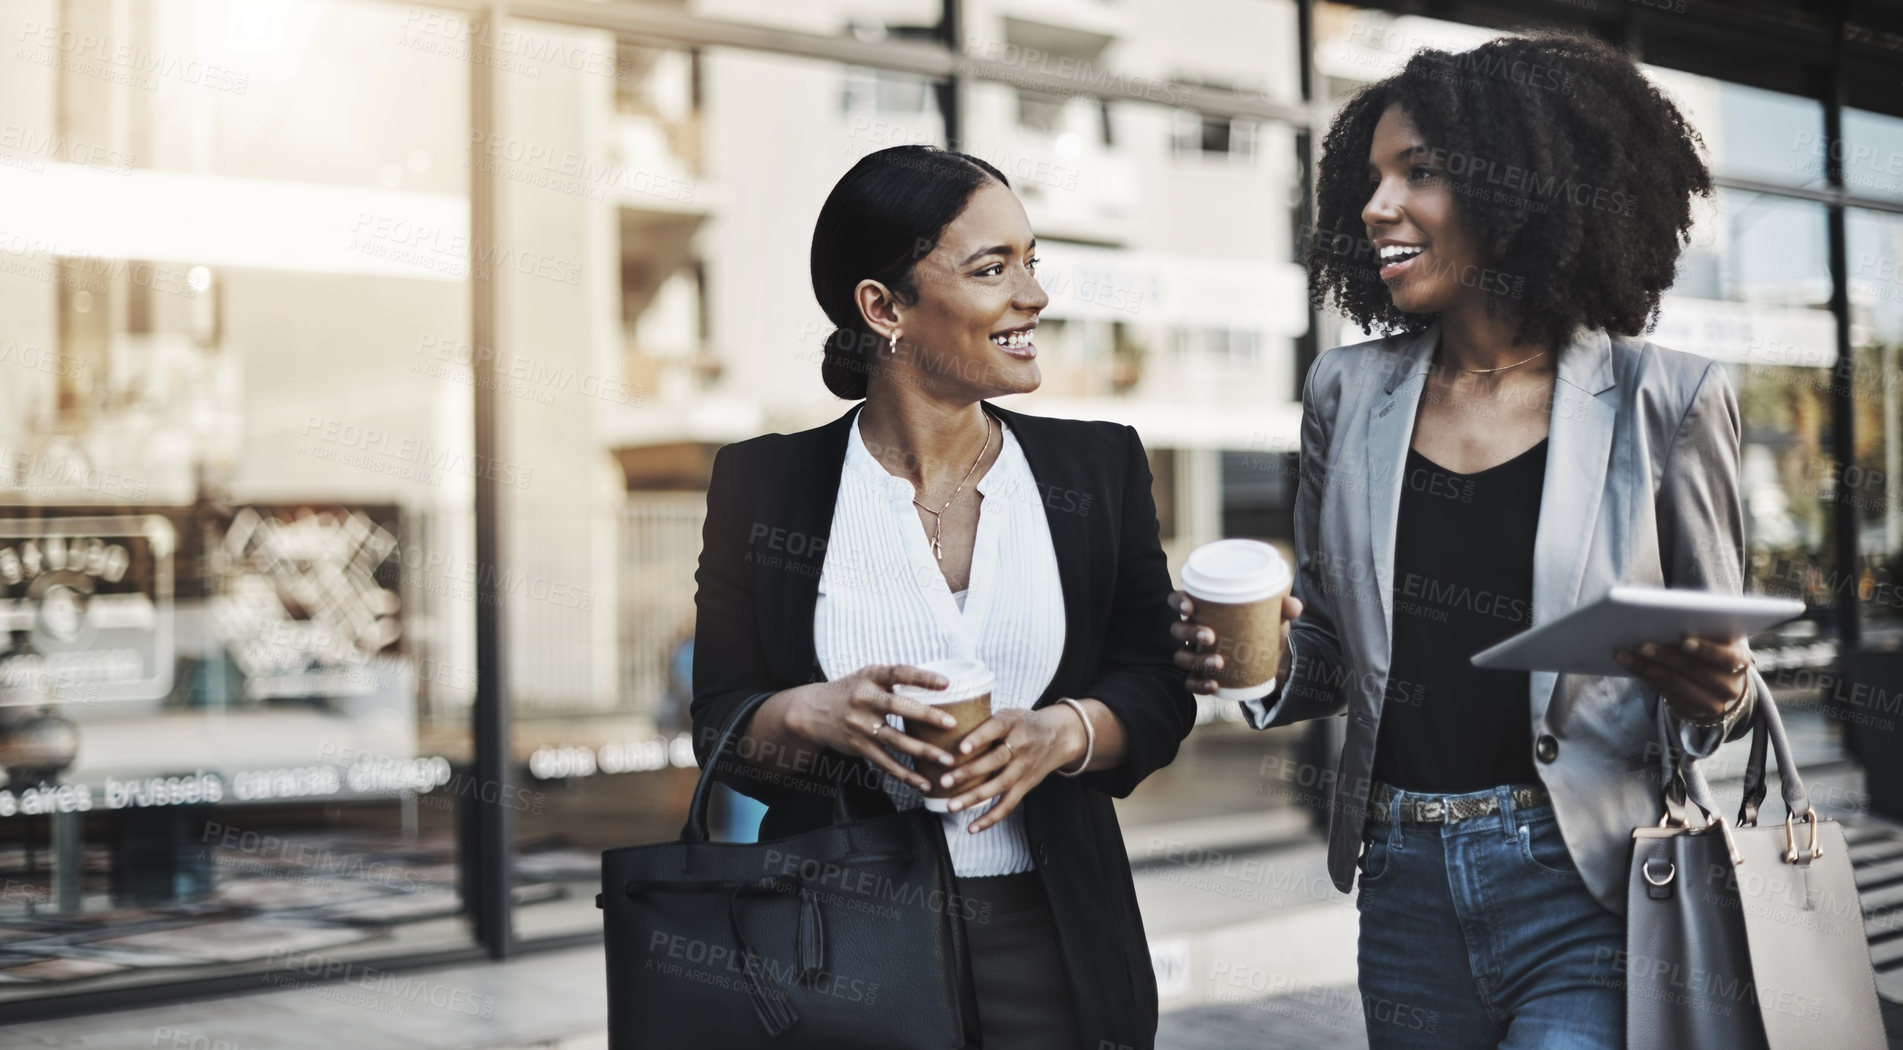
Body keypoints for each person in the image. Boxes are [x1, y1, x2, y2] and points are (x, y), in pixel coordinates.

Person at [1172, 34, 1762, 1048]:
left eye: (1420, 173)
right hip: (1401, 888)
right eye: (1370, 179)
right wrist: (1251, 662)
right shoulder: (1345, 393)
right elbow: (1328, 654)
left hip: (1587, 879)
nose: (1375, 207)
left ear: (1527, 188)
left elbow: (1720, 666)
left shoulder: (1666, 399)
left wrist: (1720, 693)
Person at [692, 144, 1191, 1050]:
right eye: (992, 268)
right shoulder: (764, 485)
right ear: (883, 308)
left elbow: (1155, 690)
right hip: (836, 937)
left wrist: (1061, 733)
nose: (1033, 295)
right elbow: (720, 724)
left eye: (1031, 261)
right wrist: (814, 715)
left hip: (1057, 936)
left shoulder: (1098, 466)